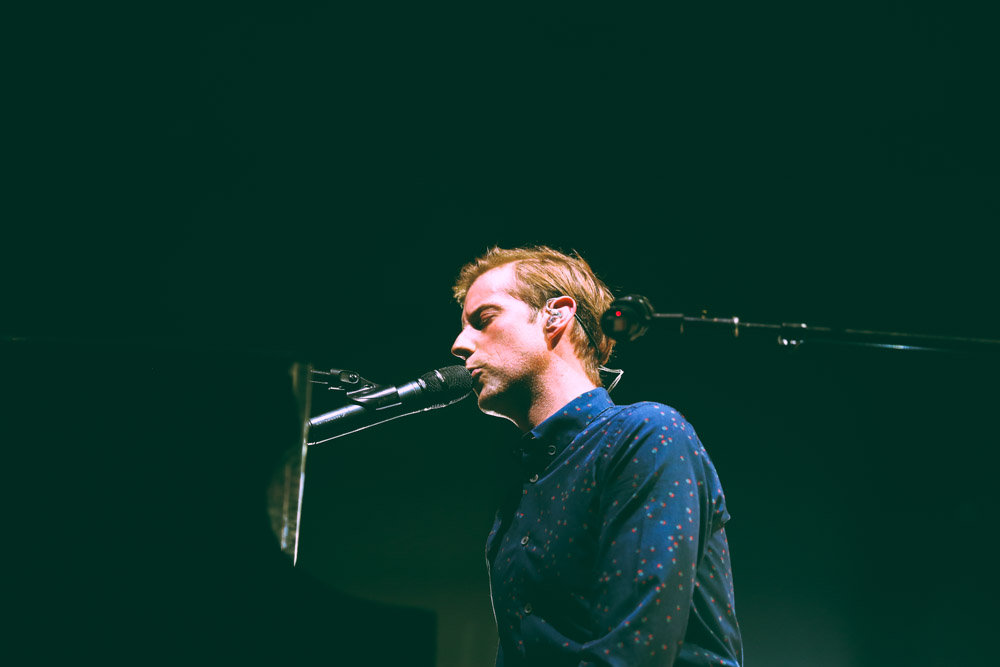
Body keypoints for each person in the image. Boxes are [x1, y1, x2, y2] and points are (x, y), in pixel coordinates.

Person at [450, 246, 743, 666]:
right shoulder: (519, 494)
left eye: (484, 319)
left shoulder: (646, 434)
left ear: (556, 315)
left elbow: (635, 653)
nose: (459, 345)